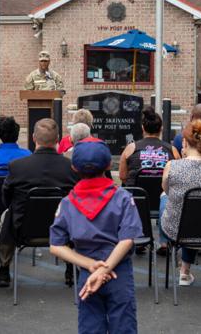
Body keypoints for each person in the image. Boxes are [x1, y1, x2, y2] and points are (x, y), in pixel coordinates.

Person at [50, 141, 143, 334]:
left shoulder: (67, 203)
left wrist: (93, 266)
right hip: (119, 271)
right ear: (109, 165)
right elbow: (127, 239)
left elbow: (56, 245)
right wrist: (105, 268)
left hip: (87, 272)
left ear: (74, 168)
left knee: (90, 325)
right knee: (124, 325)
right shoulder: (123, 198)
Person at [0, 118, 78, 288]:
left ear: (34, 138)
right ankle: (71, 267)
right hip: (62, 228)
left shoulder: (17, 166)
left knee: (8, 214)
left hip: (22, 229)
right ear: (57, 139)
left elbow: (6, 197)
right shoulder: (70, 167)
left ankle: (4, 269)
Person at [160, 120, 201, 286]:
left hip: (177, 230)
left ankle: (164, 243)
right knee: (197, 210)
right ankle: (185, 271)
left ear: (184, 142)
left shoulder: (172, 166)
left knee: (165, 197)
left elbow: (168, 191)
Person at [118, 106, 180, 186]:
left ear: (143, 128)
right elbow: (178, 176)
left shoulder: (131, 148)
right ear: (161, 129)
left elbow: (122, 176)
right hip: (163, 195)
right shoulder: (172, 150)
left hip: (137, 196)